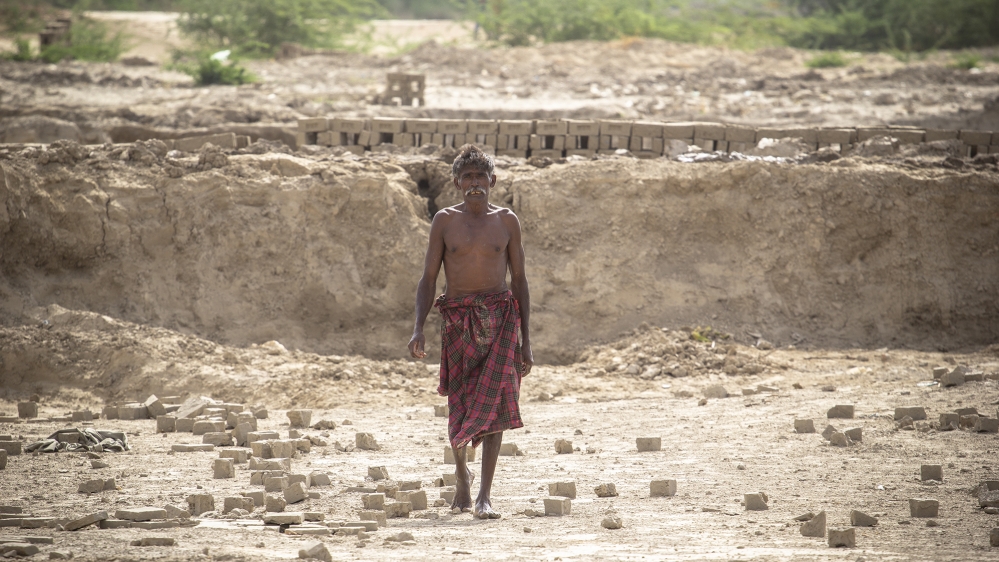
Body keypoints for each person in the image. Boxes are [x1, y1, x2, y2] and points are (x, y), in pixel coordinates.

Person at [408, 144, 533, 519]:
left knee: (497, 406)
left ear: (493, 181)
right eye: (468, 177)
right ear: (456, 182)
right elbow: (428, 279)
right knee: (460, 405)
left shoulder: (507, 221)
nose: (475, 184)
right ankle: (462, 474)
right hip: (459, 322)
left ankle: (484, 495)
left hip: (501, 320)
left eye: (482, 177)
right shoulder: (444, 221)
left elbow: (521, 280)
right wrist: (418, 328)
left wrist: (527, 341)